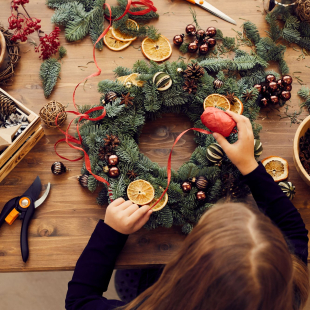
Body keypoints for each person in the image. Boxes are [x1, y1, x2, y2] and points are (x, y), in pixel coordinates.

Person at [65, 111, 309, 310]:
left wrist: (111, 233)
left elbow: (79, 301)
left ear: (187, 270)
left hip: (152, 292)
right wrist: (249, 166)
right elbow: (295, 233)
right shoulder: (290, 288)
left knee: (131, 279)